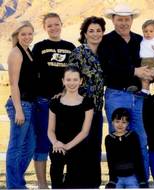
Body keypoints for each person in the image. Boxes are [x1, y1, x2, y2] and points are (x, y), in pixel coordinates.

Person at [99, 4, 153, 180]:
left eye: (126, 19)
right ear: (113, 20)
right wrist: (134, 71)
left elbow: (150, 61)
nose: (123, 23)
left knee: (141, 139)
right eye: (120, 19)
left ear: (132, 20)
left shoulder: (140, 40)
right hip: (117, 94)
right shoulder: (106, 41)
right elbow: (106, 69)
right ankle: (118, 181)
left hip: (139, 96)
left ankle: (142, 181)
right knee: (117, 139)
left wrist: (150, 73)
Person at [32, 12, 76, 188]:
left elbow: (75, 73)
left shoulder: (70, 47)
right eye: (49, 25)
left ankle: (65, 181)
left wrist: (65, 91)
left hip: (66, 103)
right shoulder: (39, 47)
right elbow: (33, 74)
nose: (53, 28)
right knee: (43, 143)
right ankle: (43, 184)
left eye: (56, 24)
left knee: (66, 142)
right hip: (44, 102)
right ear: (45, 28)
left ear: (61, 24)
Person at [68, 16, 106, 188]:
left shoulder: (105, 53)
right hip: (79, 111)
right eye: (91, 31)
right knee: (79, 150)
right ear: (84, 33)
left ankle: (93, 185)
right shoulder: (78, 53)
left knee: (94, 151)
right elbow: (70, 81)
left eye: (98, 30)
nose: (95, 34)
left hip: (96, 110)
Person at [47, 65, 95, 188]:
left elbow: (85, 132)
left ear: (81, 81)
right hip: (58, 146)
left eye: (75, 79)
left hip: (78, 146)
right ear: (63, 81)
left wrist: (67, 146)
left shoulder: (87, 103)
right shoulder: (55, 102)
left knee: (74, 182)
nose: (72, 83)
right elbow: (50, 130)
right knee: (56, 174)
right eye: (68, 79)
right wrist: (56, 143)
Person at [5, 21, 37, 189]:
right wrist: (18, 109)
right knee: (16, 147)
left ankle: (17, 182)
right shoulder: (16, 53)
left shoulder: (28, 51)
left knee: (30, 146)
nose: (27, 37)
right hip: (20, 105)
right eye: (23, 34)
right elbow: (13, 84)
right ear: (17, 35)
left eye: (29, 34)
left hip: (29, 105)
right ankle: (14, 186)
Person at [105, 108, 148, 188]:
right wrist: (112, 180)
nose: (120, 125)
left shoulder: (132, 136)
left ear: (128, 123)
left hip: (132, 177)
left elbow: (138, 158)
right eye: (117, 121)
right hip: (117, 178)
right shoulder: (109, 138)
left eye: (124, 122)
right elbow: (110, 160)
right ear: (112, 122)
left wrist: (142, 180)